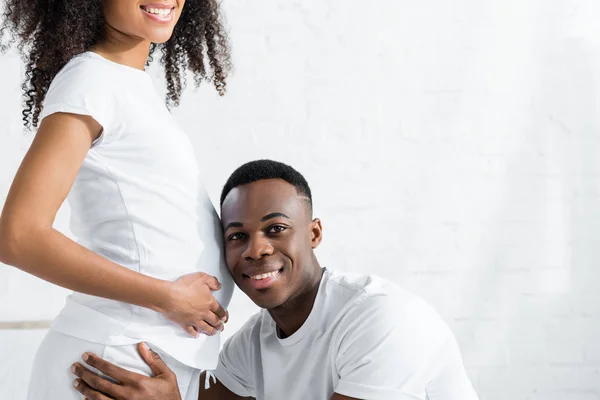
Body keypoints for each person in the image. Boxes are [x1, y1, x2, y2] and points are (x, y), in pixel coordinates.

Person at [70, 160, 479, 400]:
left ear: (314, 233)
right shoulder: (252, 345)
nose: (256, 249)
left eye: (276, 228)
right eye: (237, 237)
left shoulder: (383, 319)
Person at [0, 1, 234, 399]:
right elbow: (18, 236)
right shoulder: (90, 81)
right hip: (111, 364)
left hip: (140, 359)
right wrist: (169, 297)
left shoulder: (127, 85)